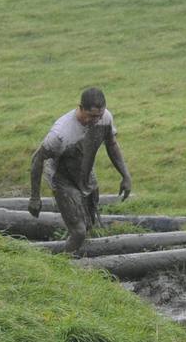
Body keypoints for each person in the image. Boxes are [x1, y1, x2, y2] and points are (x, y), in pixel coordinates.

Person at [28, 87, 132, 254]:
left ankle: (81, 255)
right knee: (79, 231)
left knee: (89, 222)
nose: (96, 121)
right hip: (61, 177)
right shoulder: (60, 134)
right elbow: (37, 160)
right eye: (91, 116)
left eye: (99, 116)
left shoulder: (105, 117)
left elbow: (112, 144)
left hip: (85, 171)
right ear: (81, 108)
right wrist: (35, 197)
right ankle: (63, 262)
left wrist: (126, 176)